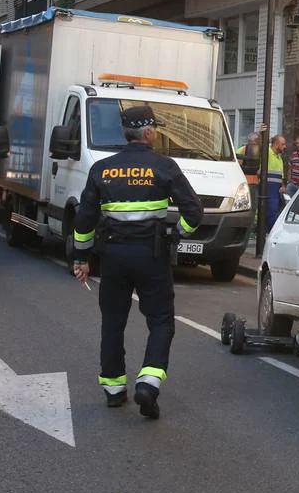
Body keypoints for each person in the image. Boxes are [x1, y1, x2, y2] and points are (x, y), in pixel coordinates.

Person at [71, 105, 204, 420]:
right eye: (155, 129)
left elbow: (84, 219)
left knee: (113, 322)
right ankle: (149, 381)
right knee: (160, 321)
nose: (156, 133)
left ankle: (114, 389)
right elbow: (194, 211)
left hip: (113, 257)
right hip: (152, 256)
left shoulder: (102, 170)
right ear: (147, 132)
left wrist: (81, 259)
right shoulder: (164, 167)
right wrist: (177, 234)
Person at [266, 134, 287, 224]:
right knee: (270, 213)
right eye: (283, 144)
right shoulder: (267, 153)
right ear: (276, 144)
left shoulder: (279, 157)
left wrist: (283, 186)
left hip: (276, 190)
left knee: (274, 213)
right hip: (267, 188)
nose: (285, 146)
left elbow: (280, 175)